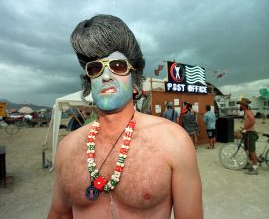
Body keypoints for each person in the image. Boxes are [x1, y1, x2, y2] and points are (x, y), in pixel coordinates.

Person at [47, 14, 203, 219]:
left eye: (117, 66)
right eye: (95, 68)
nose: (105, 76)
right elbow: (59, 214)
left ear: (136, 82)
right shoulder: (67, 148)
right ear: (89, 82)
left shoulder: (174, 141)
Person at [237, 98, 259, 175]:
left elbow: (253, 121)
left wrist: (245, 128)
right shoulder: (246, 112)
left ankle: (255, 168)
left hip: (250, 133)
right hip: (248, 132)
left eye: (240, 104)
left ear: (243, 105)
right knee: (248, 149)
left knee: (251, 151)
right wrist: (244, 129)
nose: (239, 106)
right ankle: (250, 164)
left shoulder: (248, 111)